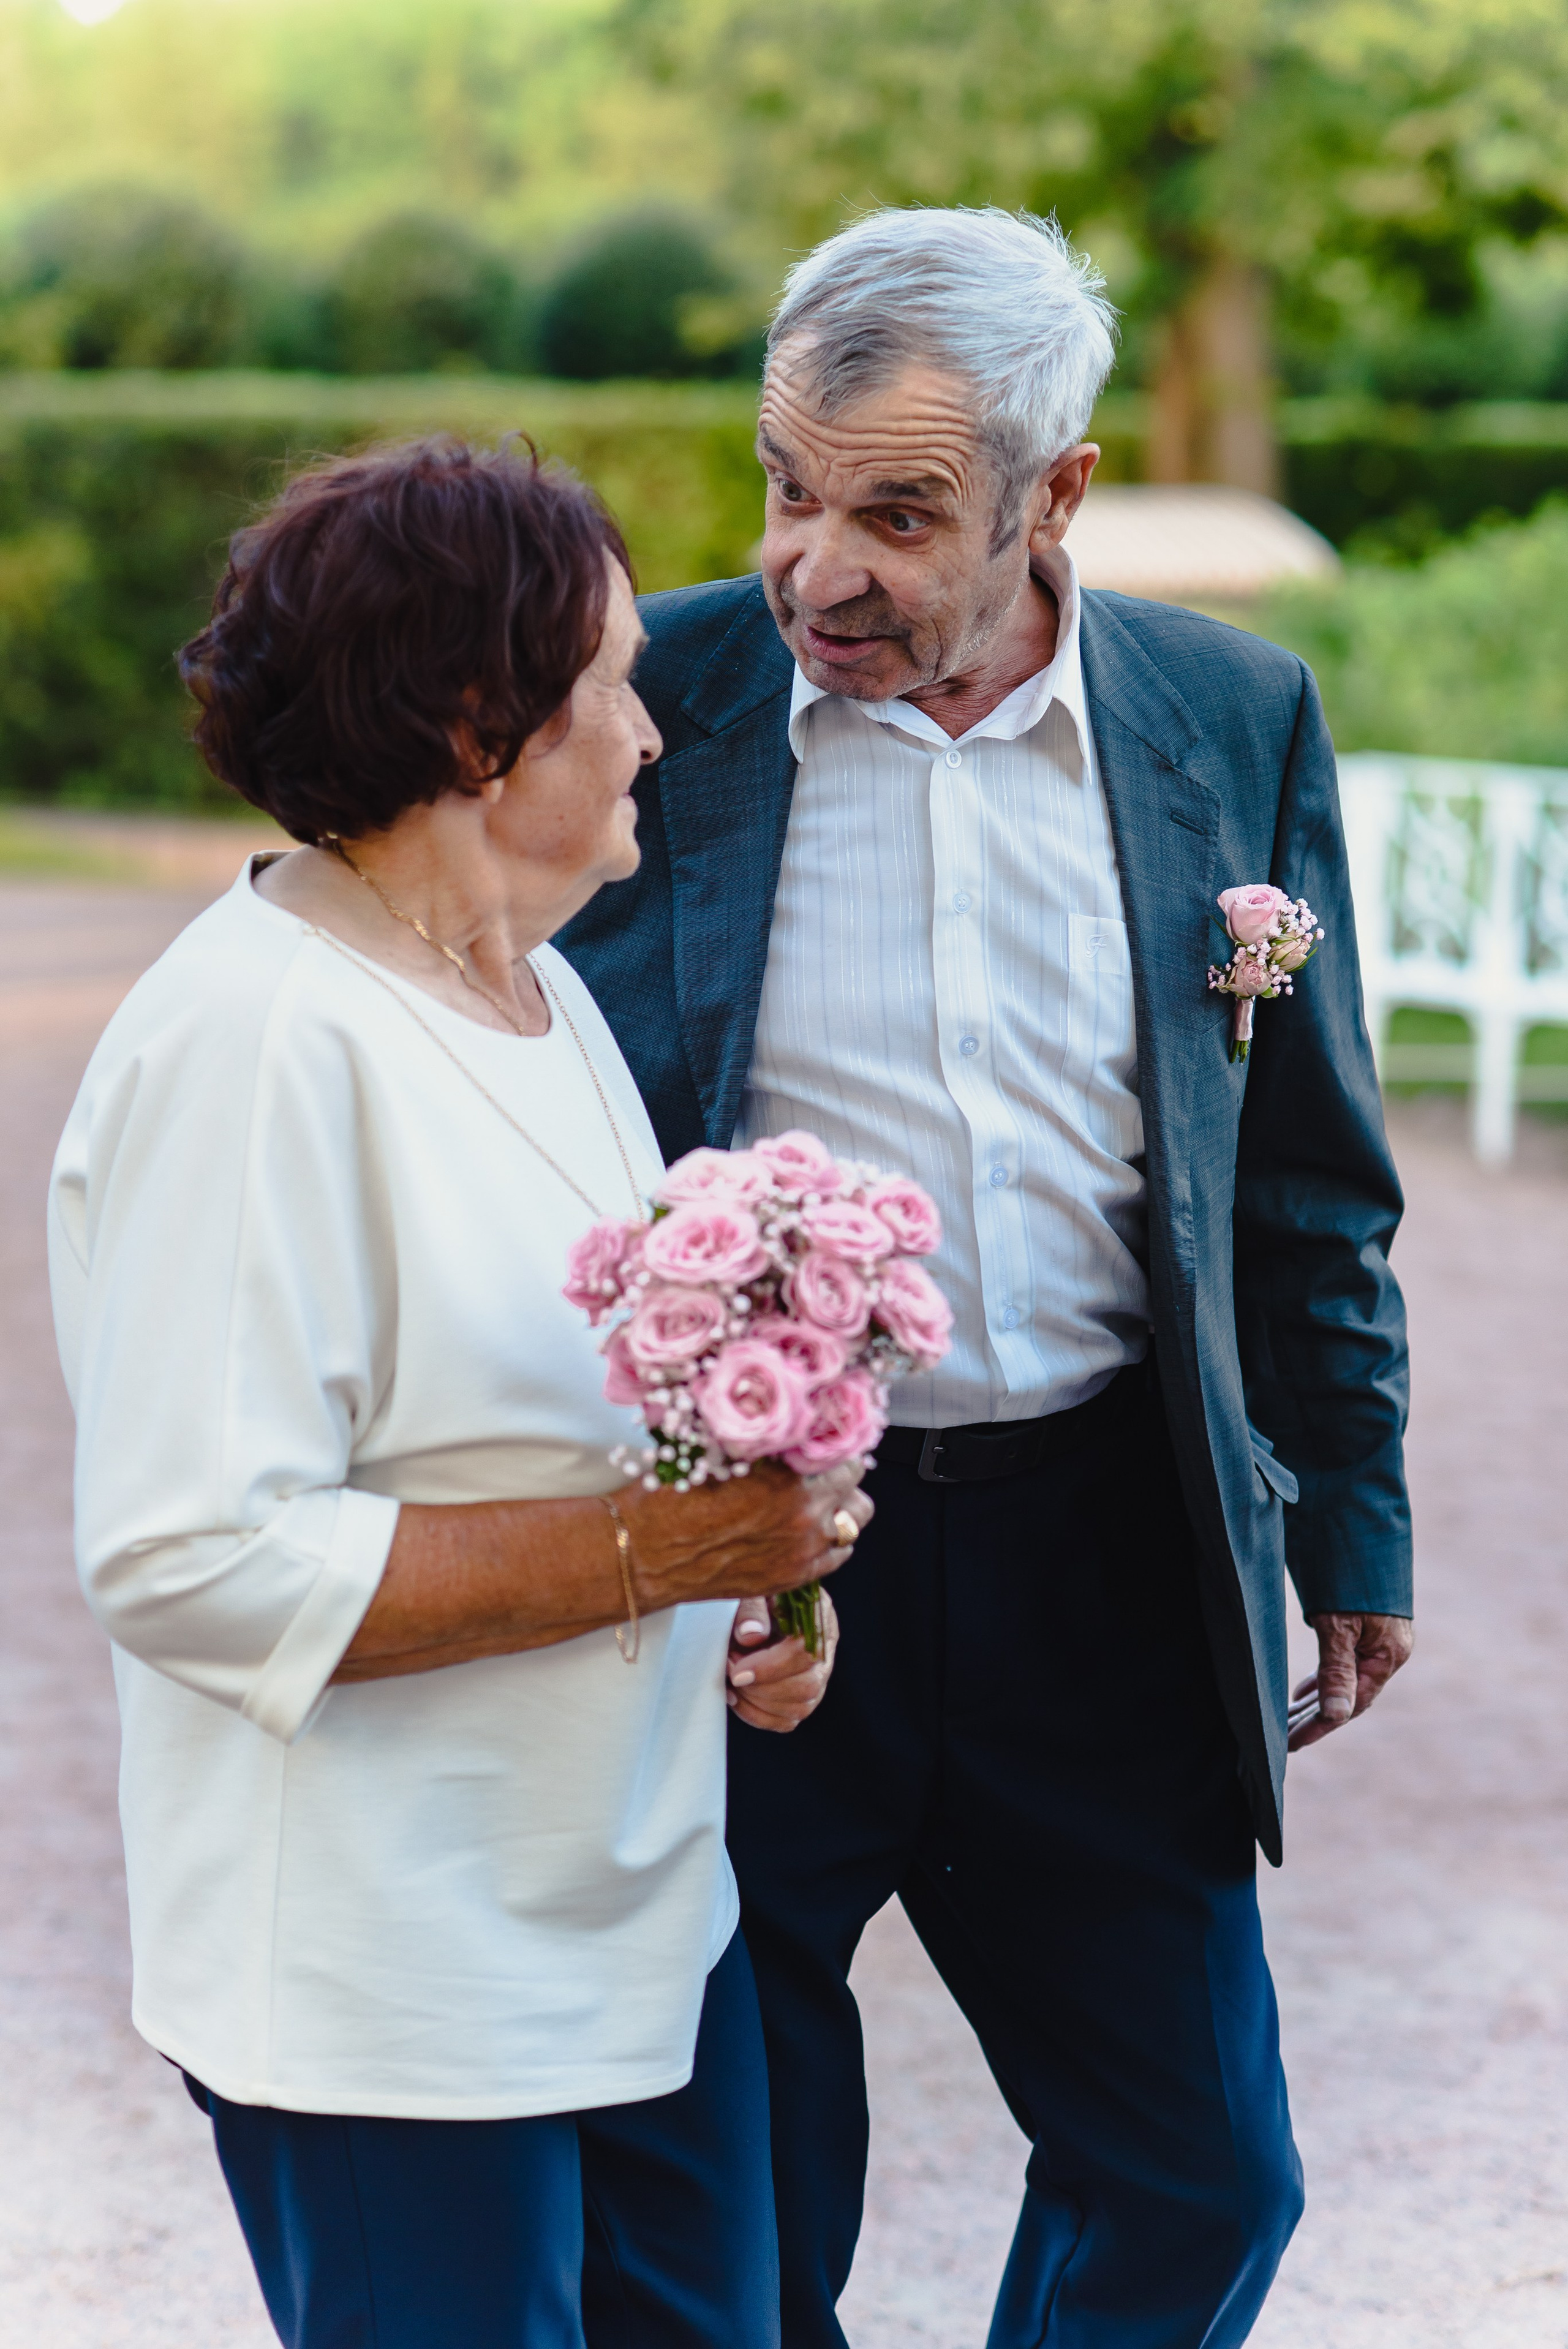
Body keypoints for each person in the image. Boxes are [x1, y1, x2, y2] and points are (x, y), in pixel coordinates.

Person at [556, 207, 1414, 2348]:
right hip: (744, 1569)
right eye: (787, 488)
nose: (814, 567)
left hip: (1101, 1549)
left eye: (900, 512)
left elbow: (1307, 1174)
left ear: (1060, 496)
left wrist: (1356, 1513)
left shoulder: (1234, 715)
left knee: (1201, 2173)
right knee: (729, 2227)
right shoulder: (649, 706)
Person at [47, 437, 872, 2349]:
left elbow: (574, 1431)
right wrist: (646, 1550)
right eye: (609, 684)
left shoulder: (540, 988)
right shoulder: (255, 1044)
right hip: (388, 1989)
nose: (653, 730)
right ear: (477, 724)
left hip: (645, 1929)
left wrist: (757, 1580)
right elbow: (191, 1556)